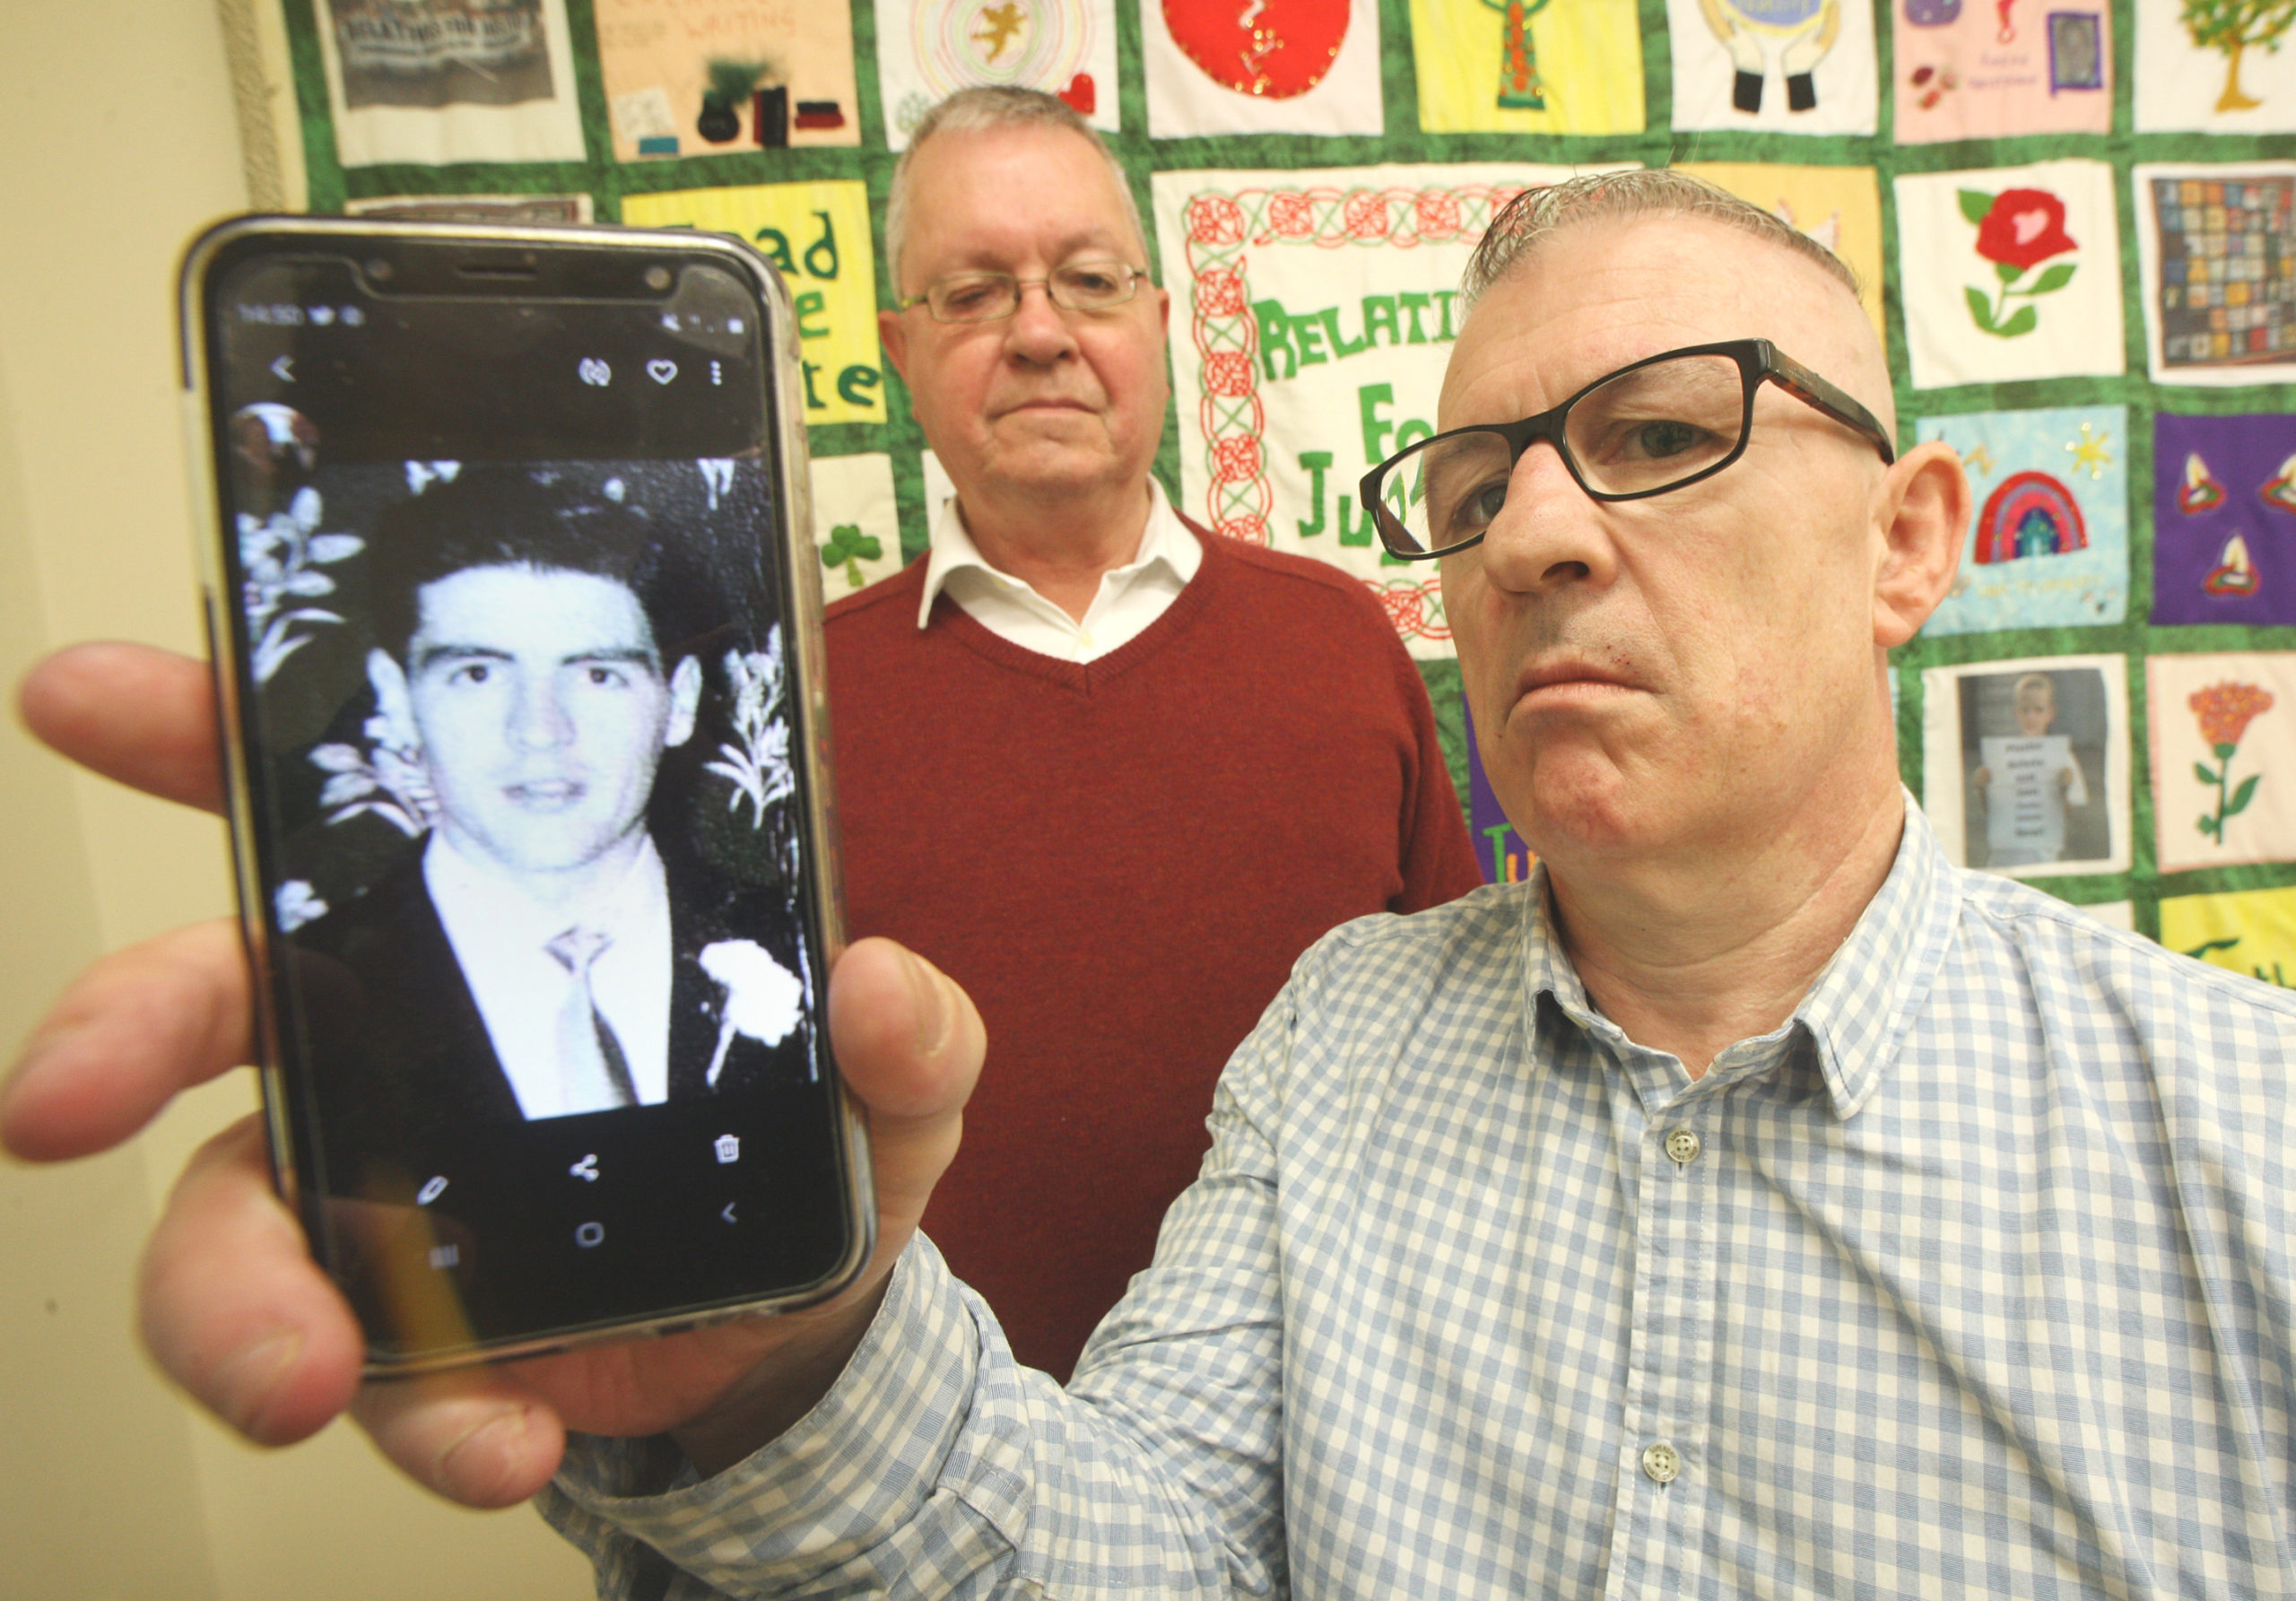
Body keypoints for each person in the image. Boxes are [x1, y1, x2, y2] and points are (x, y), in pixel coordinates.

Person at [21, 169, 2294, 1595]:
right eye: (1479, 476)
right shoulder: (1338, 1041)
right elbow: (1142, 1552)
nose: (1526, 535)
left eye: (1660, 431)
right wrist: (786, 1363)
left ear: (1909, 542)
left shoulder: (2241, 1143)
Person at [824, 87, 1482, 1377]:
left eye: (1086, 279)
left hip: (1331, 1445)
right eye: (972, 293)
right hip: (930, 1478)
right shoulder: (803, 703)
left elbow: (1468, 1054)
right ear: (901, 353)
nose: (1038, 333)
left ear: (1160, 324)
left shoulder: (1339, 643)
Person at [289, 467, 812, 1150]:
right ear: (396, 696)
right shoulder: (318, 988)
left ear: (679, 700)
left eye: (598, 674)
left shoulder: (800, 944)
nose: (540, 730)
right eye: (478, 673)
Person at [1970, 670, 2089, 868]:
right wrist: (1981, 786)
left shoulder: (2063, 758)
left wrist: (2064, 788)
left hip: (2043, 857)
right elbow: (1990, 810)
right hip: (2003, 858)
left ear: (2051, 713)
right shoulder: (2001, 757)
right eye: (2025, 710)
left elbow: (2068, 814)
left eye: (2039, 709)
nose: (2031, 716)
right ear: (2016, 713)